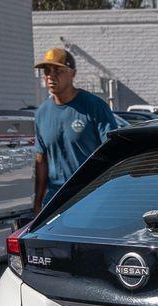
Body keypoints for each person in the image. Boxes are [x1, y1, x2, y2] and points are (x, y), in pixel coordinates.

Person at [32, 47, 117, 211]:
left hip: (88, 198)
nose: (50, 76)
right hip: (54, 202)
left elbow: (112, 152)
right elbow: (41, 160)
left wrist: (108, 197)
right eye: (47, 71)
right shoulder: (42, 113)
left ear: (72, 73)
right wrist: (37, 204)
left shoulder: (93, 107)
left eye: (58, 70)